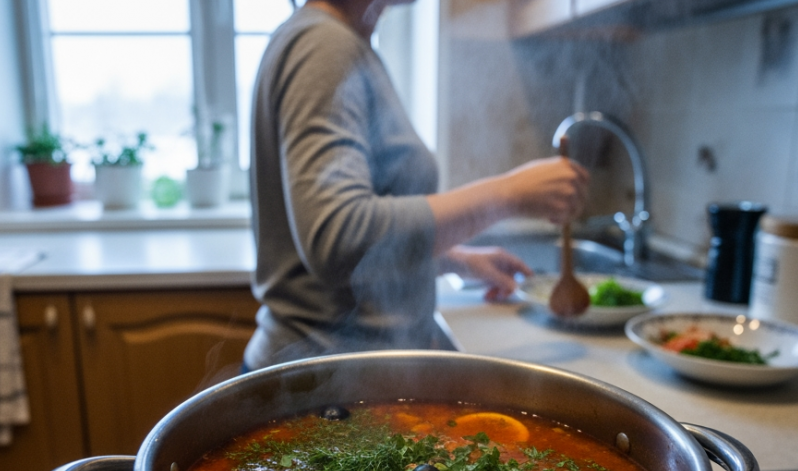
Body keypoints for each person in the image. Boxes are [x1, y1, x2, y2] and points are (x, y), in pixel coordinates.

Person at [244, 0, 587, 371]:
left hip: (334, 381)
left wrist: (452, 260)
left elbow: (356, 248)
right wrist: (510, 194)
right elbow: (338, 236)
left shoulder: (337, 42)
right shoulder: (323, 45)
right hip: (328, 392)